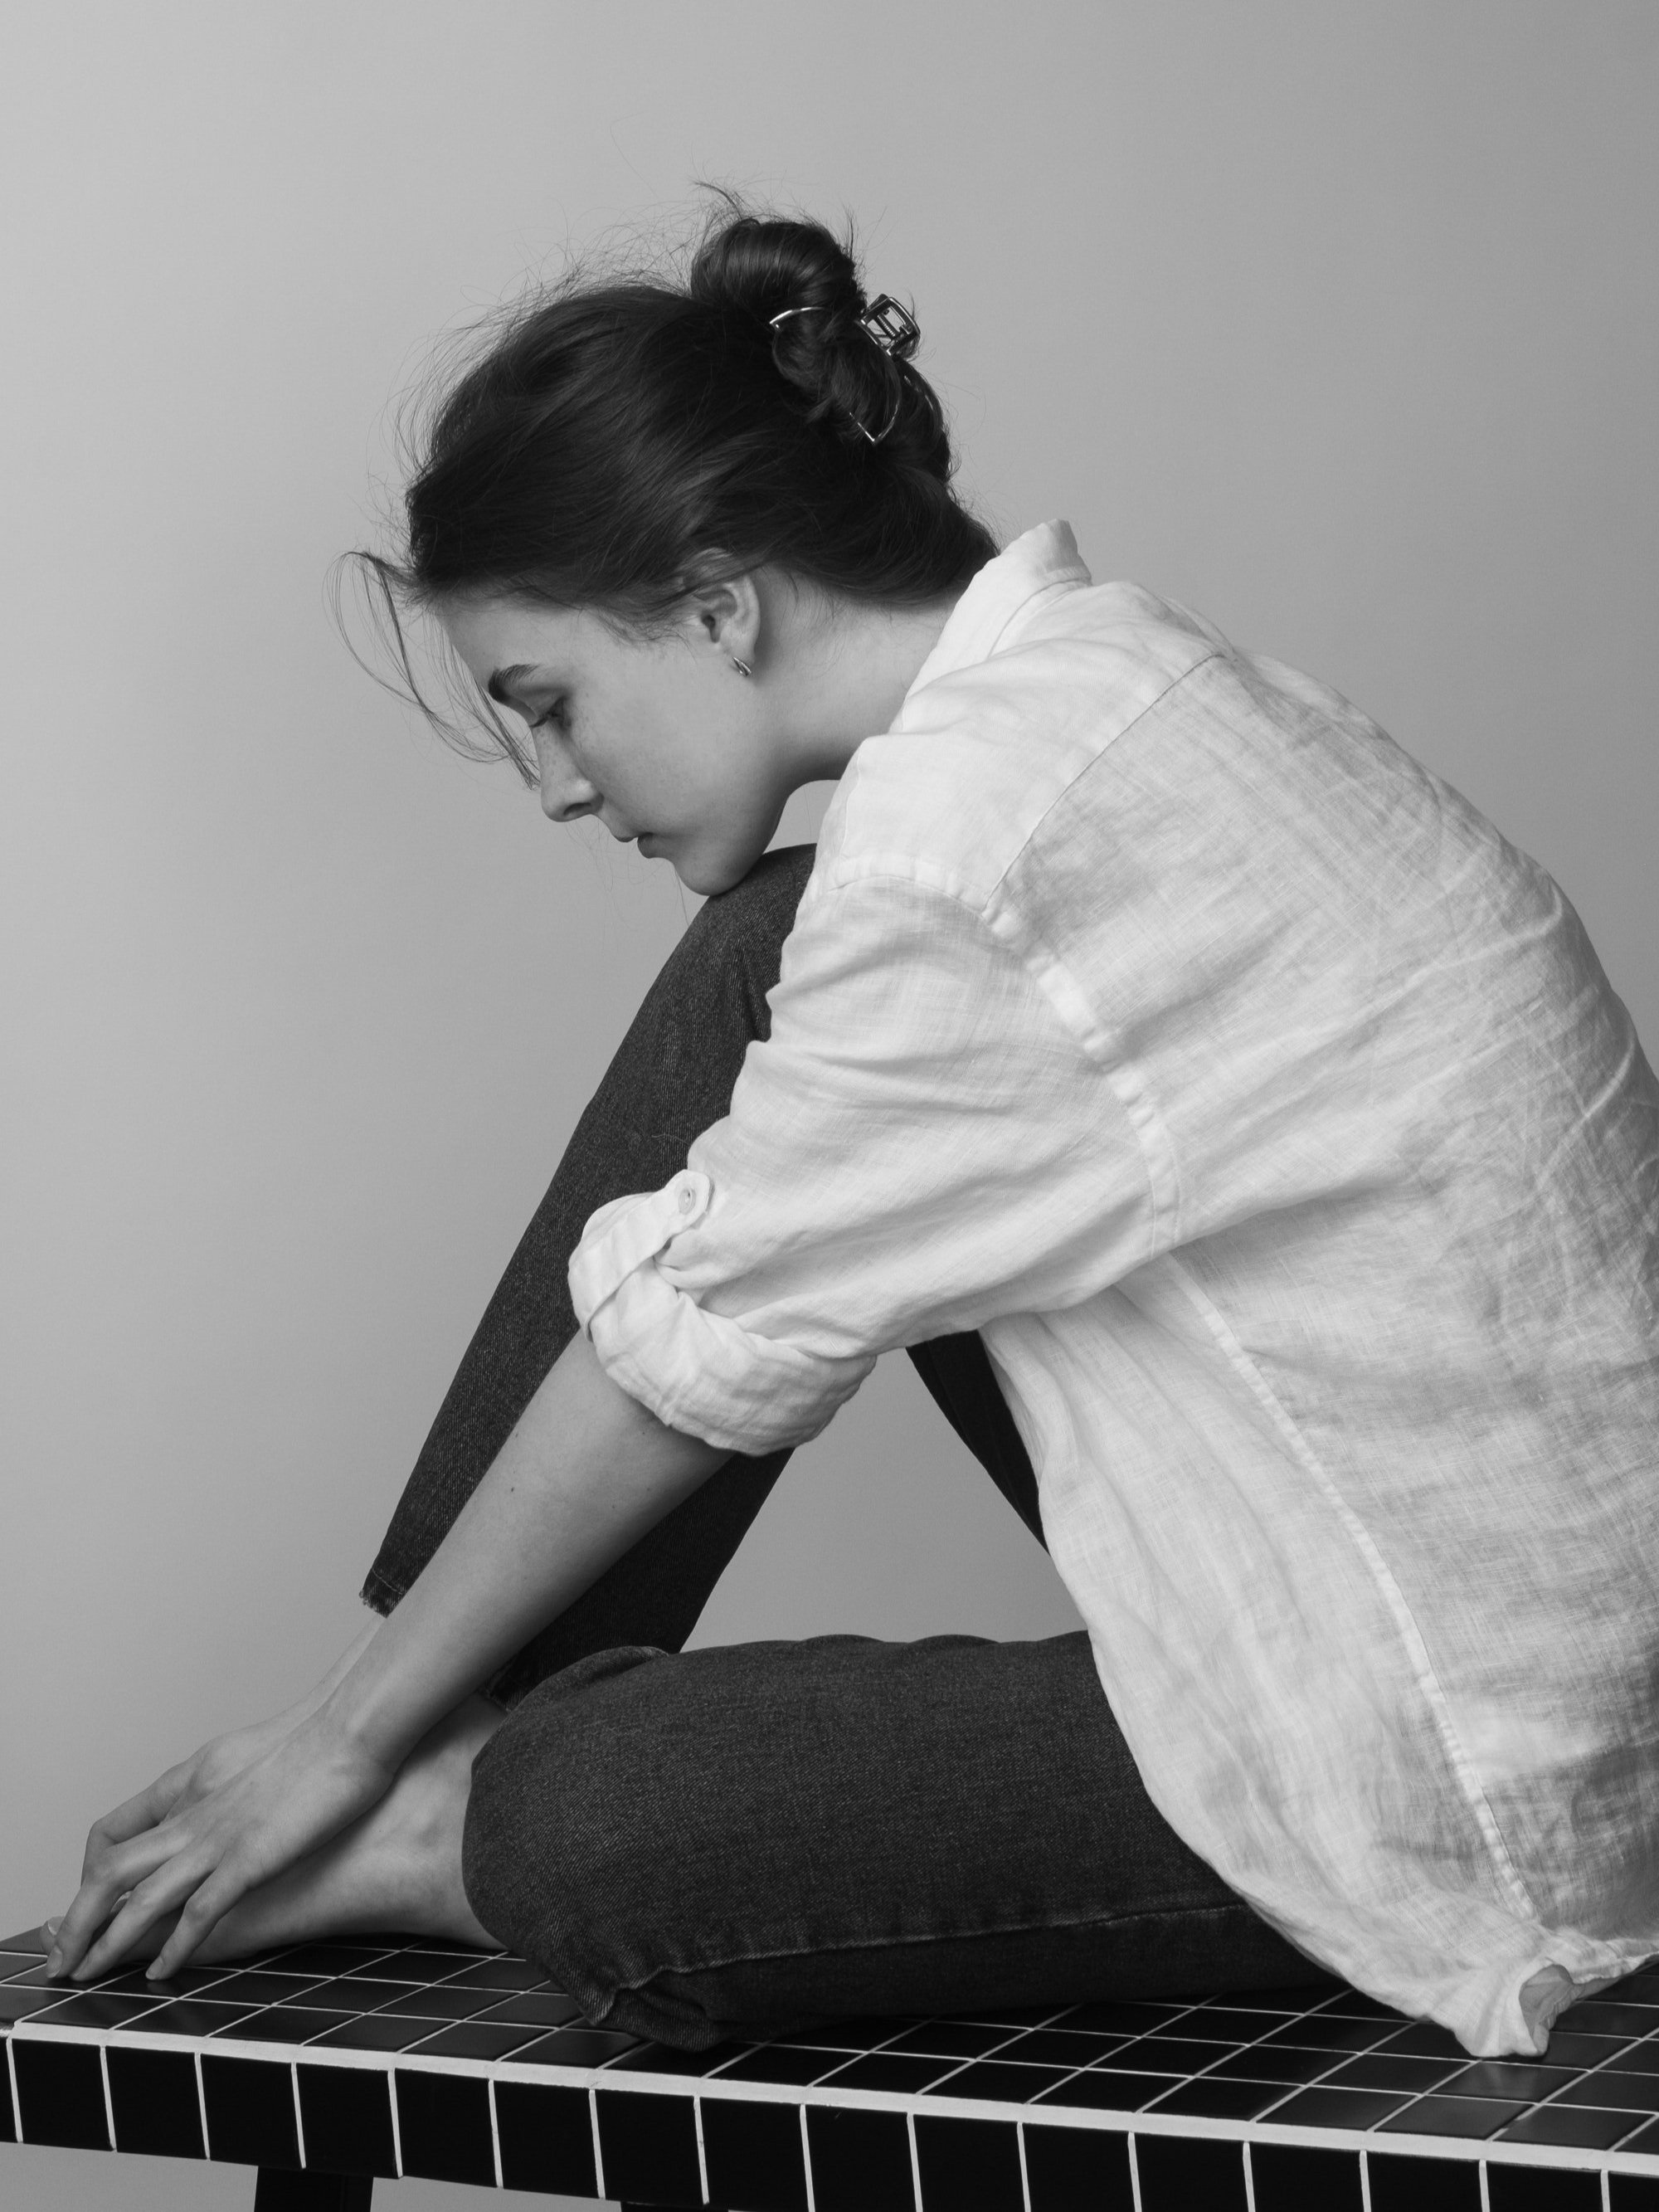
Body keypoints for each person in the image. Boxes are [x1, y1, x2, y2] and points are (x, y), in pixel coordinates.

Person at [46, 208, 1659, 2061]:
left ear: (719, 604)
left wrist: (331, 1741)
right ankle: (431, 1734)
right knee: (767, 950)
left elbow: (702, 1344)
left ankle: (418, 1792)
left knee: (585, 1822)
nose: (557, 784)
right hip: (1462, 1625)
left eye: (549, 702)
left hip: (1460, 1776)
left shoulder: (973, 849)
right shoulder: (1100, 691)